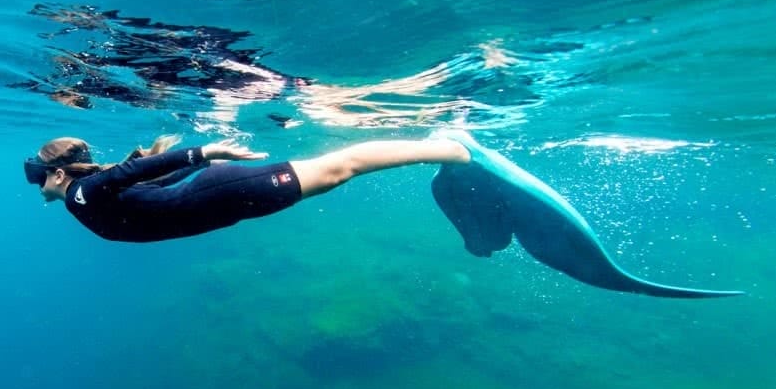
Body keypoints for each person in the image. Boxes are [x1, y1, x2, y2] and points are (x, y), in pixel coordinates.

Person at [24, 134, 470, 243]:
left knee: (341, 167)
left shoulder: (83, 193)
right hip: (225, 200)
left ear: (60, 175)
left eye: (35, 174)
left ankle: (452, 148)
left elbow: (126, 173)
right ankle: (444, 151)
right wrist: (200, 163)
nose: (33, 183)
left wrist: (203, 153)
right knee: (337, 173)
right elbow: (149, 186)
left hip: (227, 193)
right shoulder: (84, 199)